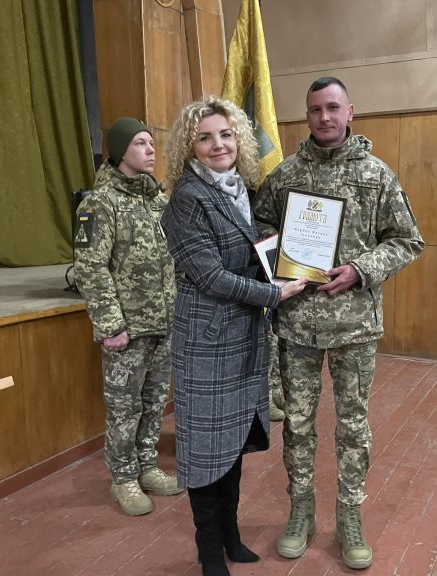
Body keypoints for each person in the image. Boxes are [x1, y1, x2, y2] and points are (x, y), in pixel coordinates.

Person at [252, 77, 425, 570]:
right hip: (298, 324)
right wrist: (282, 256)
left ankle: (349, 516)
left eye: (332, 108)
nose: (324, 117)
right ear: (306, 116)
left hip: (354, 326)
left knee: (352, 425)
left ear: (350, 112)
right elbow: (259, 227)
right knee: (298, 425)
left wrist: (361, 269)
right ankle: (301, 512)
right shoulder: (285, 175)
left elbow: (407, 240)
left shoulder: (376, 175)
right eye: (315, 110)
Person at [161, 96, 306, 576]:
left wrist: (292, 261)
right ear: (190, 147)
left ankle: (230, 535)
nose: (217, 144)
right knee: (206, 450)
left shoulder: (241, 189)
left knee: (232, 445)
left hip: (242, 336)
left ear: (239, 139)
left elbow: (256, 252)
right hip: (206, 342)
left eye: (225, 134)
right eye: (204, 137)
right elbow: (209, 277)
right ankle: (209, 550)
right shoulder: (187, 198)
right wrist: (274, 293)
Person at [73, 117, 183, 516]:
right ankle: (123, 478)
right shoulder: (99, 203)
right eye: (140, 143)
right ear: (120, 152)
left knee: (154, 402)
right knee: (124, 407)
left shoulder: (157, 201)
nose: (151, 150)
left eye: (151, 143)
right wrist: (110, 325)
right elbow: (90, 267)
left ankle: (147, 466)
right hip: (127, 330)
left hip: (164, 323)